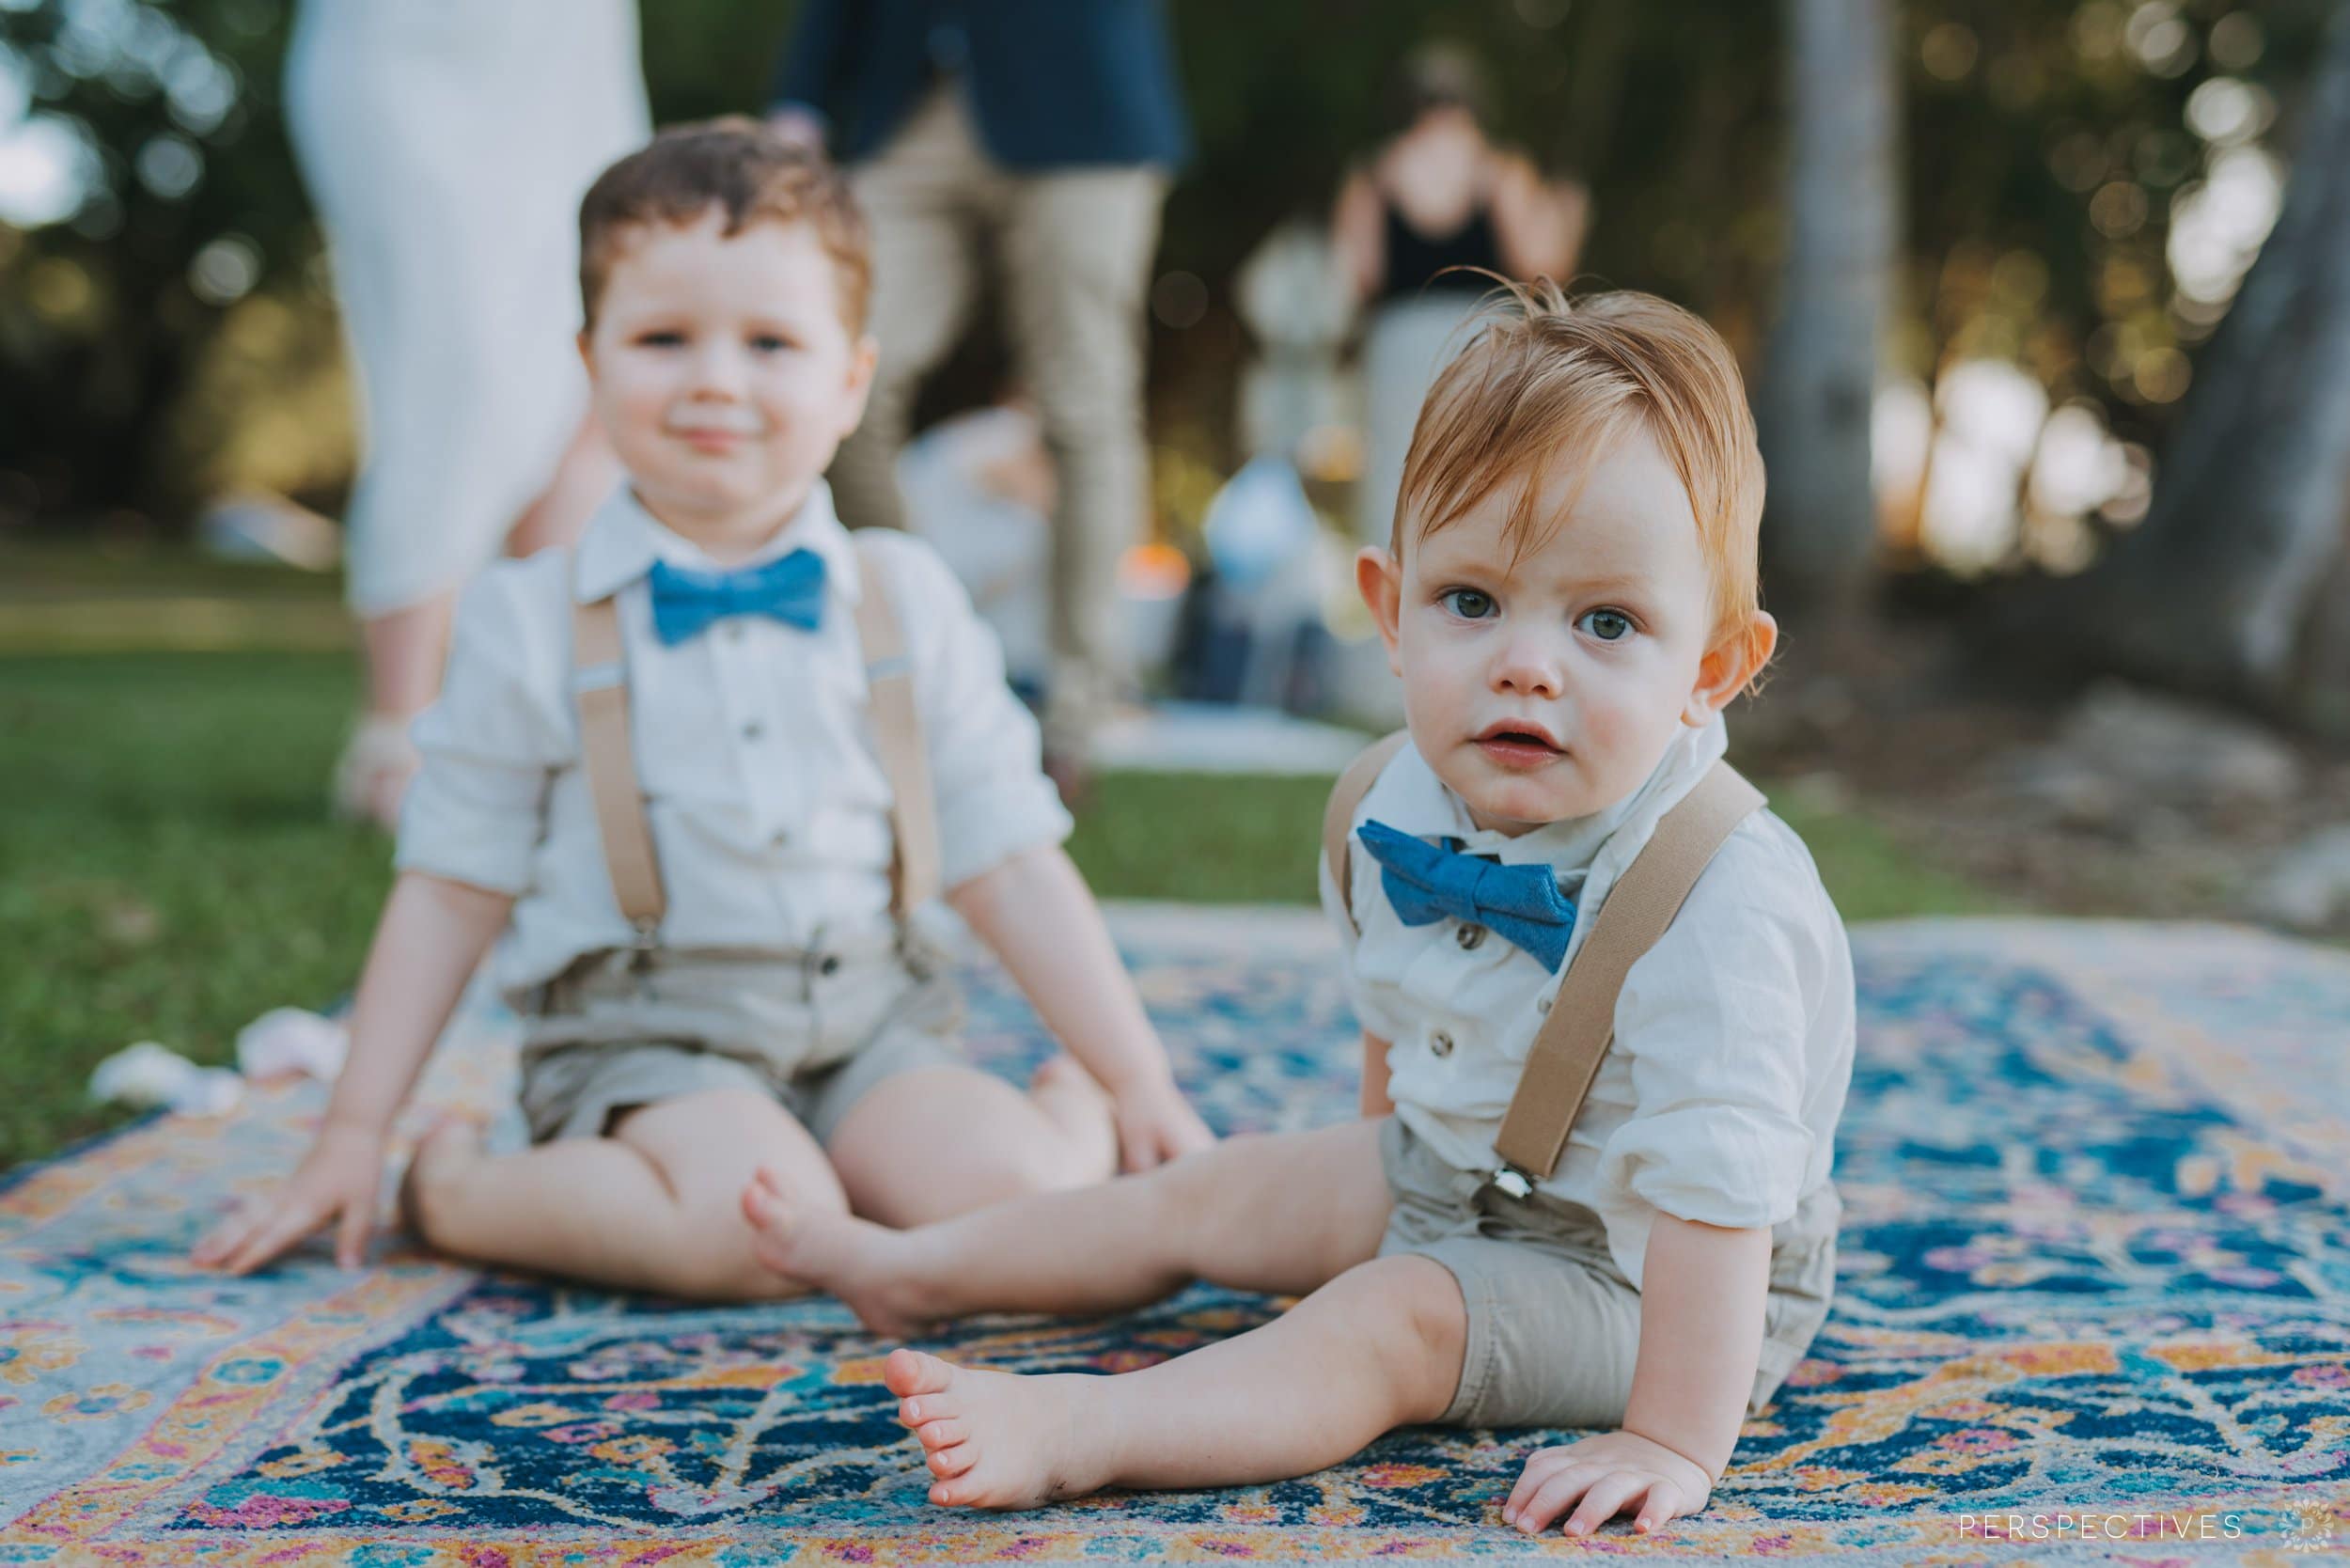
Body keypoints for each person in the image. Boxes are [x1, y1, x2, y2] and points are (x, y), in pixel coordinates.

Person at [739, 287, 1855, 1538]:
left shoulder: (1720, 902)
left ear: (1712, 670)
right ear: (1389, 609)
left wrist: (1669, 1436)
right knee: (1205, 1193)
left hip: (1655, 1278)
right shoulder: (1385, 801)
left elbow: (1720, 1204)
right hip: (1457, 1166)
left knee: (1389, 1324)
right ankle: (914, 1270)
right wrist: (1375, 1192)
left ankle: (1078, 1430)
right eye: (1472, 602)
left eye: (1607, 623)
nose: (1526, 662)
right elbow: (1405, 1011)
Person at [192, 122, 1214, 1297]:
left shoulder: (903, 594)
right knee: (754, 1232)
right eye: (664, 338)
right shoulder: (530, 617)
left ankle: (1068, 1118)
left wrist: (1137, 1078)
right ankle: (463, 1189)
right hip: (643, 1041)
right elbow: (450, 886)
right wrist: (355, 1135)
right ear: (590, 362)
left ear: (849, 382)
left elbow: (1013, 864)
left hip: (870, 1023)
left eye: (771, 342)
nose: (716, 380)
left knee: (1023, 1210)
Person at [765, 0, 1188, 776]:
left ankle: (1080, 707)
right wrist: (801, 100)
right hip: (914, 101)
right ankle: (907, 653)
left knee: (1082, 409)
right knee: (835, 372)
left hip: (1082, 101)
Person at [285, 0, 651, 829]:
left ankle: (554, 726)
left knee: (581, 380)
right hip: (412, 48)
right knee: (457, 380)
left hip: (569, 58)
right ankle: (397, 737)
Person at [1332, 44, 1590, 554]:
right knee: (1490, 466)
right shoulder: (1499, 169)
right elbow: (1541, 264)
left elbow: (1358, 275)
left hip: (1400, 338)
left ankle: (1396, 591)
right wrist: (1569, 216)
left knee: (1397, 471)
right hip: (1486, 331)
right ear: (1475, 103)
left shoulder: (1376, 172)